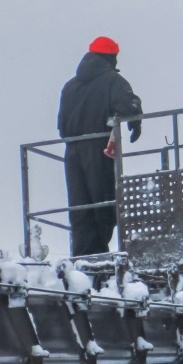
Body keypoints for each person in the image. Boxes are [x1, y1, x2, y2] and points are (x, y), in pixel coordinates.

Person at [58, 36, 143, 256]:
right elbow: (127, 105)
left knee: (80, 207)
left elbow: (61, 126)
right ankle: (101, 256)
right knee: (103, 202)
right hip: (99, 147)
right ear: (111, 58)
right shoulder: (113, 81)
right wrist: (135, 121)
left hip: (72, 151)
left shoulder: (70, 86)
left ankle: (83, 257)